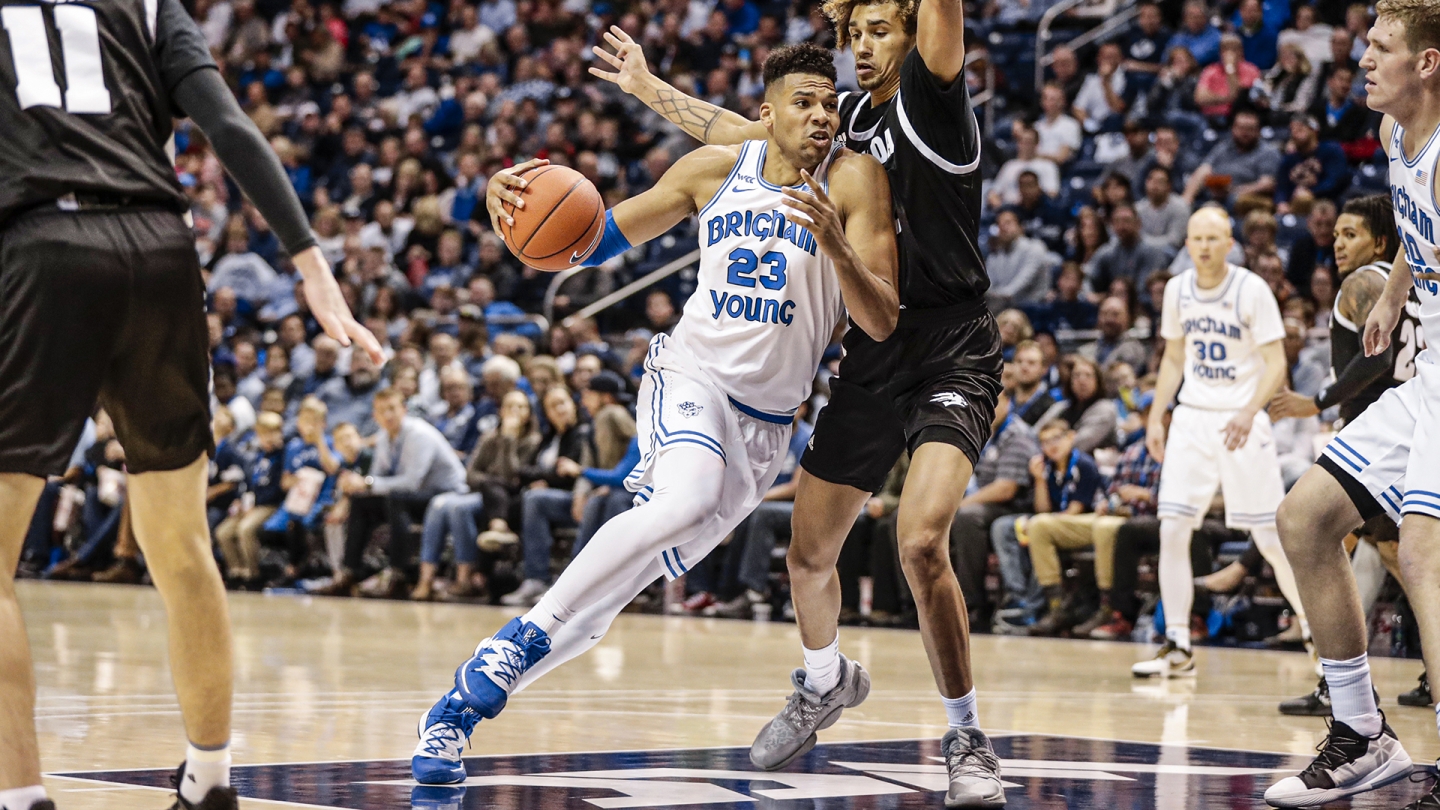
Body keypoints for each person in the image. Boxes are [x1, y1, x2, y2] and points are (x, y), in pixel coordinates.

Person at [411, 43, 903, 791]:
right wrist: (500, 200)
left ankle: (455, 714)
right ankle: (510, 646)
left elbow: (879, 321)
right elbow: (588, 241)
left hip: (766, 425)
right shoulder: (716, 169)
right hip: (691, 376)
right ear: (764, 114)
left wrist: (835, 242)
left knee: (613, 593)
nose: (822, 115)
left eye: (829, 104)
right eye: (804, 101)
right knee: (683, 500)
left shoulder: (851, 183)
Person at [593, 0, 1010, 799]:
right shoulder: (840, 115)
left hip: (952, 349)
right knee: (809, 555)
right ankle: (823, 682)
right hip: (872, 346)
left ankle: (967, 739)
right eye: (854, 34)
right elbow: (737, 132)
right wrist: (647, 87)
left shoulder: (933, 94)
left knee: (921, 541)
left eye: (880, 30)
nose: (861, 47)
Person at [0, 0, 382, 805]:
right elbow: (230, 127)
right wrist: (311, 263)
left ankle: (22, 796)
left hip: (44, 248)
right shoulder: (145, 4)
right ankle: (210, 780)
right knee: (180, 543)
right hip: (162, 253)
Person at [1262, 4, 1439, 796]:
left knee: (1427, 556)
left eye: (1381, 47)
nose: (1361, 59)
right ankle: (1362, 730)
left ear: (1427, 64)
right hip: (1427, 374)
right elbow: (1414, 226)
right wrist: (1395, 291)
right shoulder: (1400, 137)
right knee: (1305, 519)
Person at [1135, 207, 1307, 680]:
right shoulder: (1177, 290)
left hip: (1242, 419)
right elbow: (1173, 357)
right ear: (1187, 244)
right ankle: (1177, 644)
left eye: (1213, 238)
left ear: (1230, 242)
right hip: (1192, 417)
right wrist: (1157, 416)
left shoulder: (1251, 289)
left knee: (1270, 538)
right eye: (1197, 238)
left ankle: (1315, 632)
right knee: (1171, 527)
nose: (1205, 246)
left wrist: (1250, 411)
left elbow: (1275, 364)